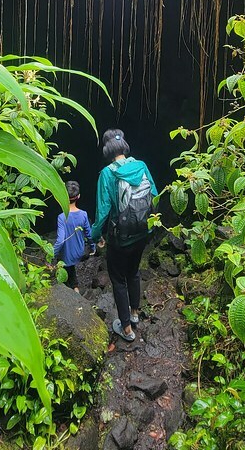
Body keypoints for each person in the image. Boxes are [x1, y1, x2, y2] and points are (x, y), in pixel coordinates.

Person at [92, 129, 159, 342]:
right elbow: (155, 196)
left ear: (107, 150)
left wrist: (95, 236)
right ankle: (135, 313)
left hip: (119, 239)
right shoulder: (141, 166)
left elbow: (103, 211)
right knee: (134, 273)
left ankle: (127, 329)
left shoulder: (107, 174)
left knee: (118, 280)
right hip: (142, 234)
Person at [52, 181, 94, 292]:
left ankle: (73, 291)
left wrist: (52, 254)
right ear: (78, 196)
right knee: (71, 272)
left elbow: (60, 240)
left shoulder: (62, 217)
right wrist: (93, 247)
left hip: (67, 255)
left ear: (64, 197)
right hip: (79, 252)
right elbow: (89, 234)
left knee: (66, 272)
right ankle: (75, 288)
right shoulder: (84, 214)